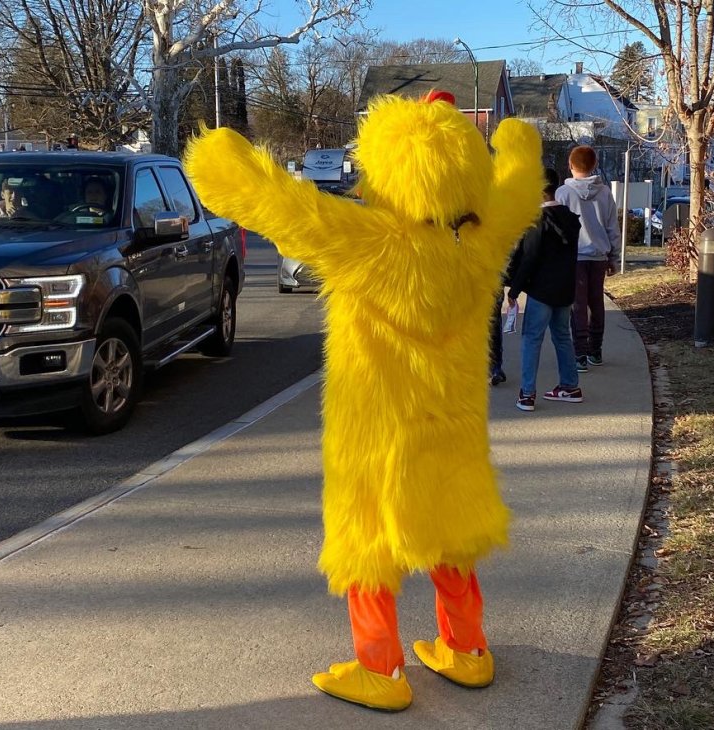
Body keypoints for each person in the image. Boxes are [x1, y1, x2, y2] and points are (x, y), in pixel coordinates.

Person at [184, 90, 544, 712]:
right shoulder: (480, 241)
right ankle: (467, 650)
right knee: (452, 532)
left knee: (369, 544)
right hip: (452, 430)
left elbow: (283, 208)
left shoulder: (368, 240)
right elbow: (517, 186)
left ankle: (380, 668)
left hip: (376, 432)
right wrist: (515, 144)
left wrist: (223, 158)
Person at [508, 167, 584, 412]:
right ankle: (570, 386)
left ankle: (527, 393)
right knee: (562, 337)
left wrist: (513, 291)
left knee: (532, 339)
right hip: (565, 290)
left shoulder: (536, 223)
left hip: (541, 291)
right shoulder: (571, 219)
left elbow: (528, 259)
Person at [555, 145, 621, 371]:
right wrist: (614, 256)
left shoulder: (563, 194)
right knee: (596, 303)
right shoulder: (604, 193)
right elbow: (613, 227)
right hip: (599, 256)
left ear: (570, 165)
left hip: (574, 257)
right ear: (594, 165)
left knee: (578, 305)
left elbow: (558, 228)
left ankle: (579, 353)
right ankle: (596, 349)